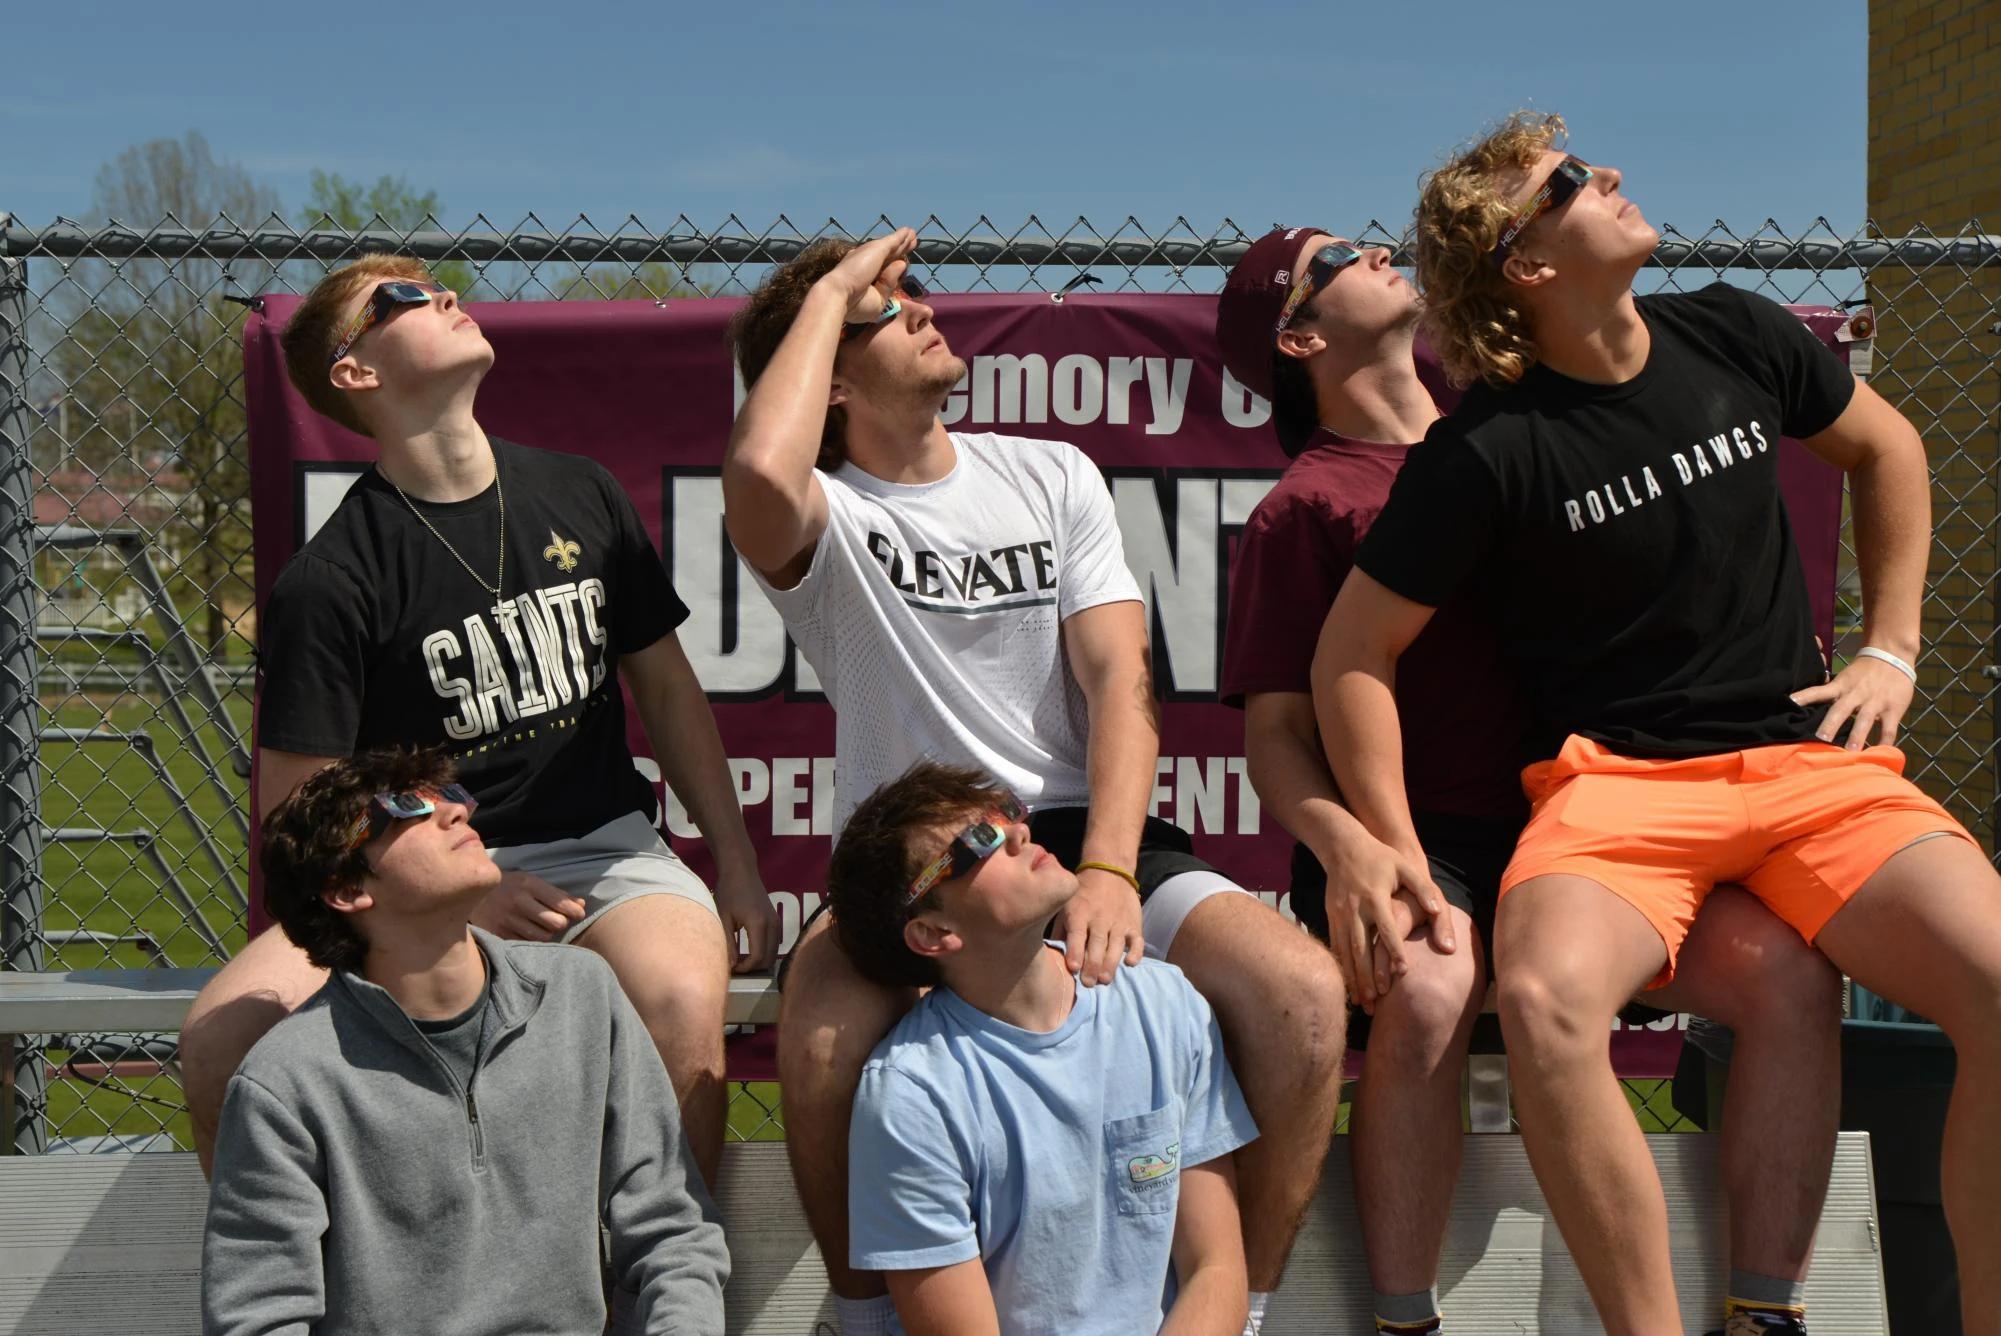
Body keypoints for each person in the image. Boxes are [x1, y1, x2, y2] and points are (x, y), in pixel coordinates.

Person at [1316, 111, 2001, 1336]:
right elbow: (1351, 659)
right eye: (1572, 182)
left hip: (1810, 767)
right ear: (1528, 266)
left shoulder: (1733, 328)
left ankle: (1778, 1316)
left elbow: (1886, 446)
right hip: (1618, 792)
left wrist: (1890, 646)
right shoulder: (1483, 450)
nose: (1613, 176)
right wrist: (1393, 847)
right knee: (1542, 999)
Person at [1216, 224, 1843, 1336]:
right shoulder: (1299, 510)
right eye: (1334, 259)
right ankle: (1403, 1318)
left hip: (1593, 819)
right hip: (1423, 842)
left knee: (1786, 977)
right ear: (1301, 334)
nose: (1373, 250)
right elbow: (1277, 734)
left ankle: (1766, 1310)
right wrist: (1357, 846)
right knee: (1430, 988)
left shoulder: (1513, 428)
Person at [723, 230, 1345, 1336]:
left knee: (1301, 998)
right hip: (921, 852)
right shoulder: (823, 515)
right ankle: (868, 1319)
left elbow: (1121, 684)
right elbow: (760, 472)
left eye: (913, 290)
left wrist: (1107, 867)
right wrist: (826, 290)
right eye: (881, 310)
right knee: (817, 1053)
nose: (918, 307)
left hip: (1075, 831)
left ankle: (1240, 1305)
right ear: (828, 376)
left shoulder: (1051, 469)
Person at [179, 254, 776, 1188]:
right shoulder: (330, 580)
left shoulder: (582, 492)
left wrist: (736, 864)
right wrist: (461, 895)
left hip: (602, 853)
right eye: (405, 298)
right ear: (356, 372)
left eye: (438, 284)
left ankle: (661, 1304)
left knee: (678, 1002)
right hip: (418, 874)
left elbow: (668, 694)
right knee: (219, 1040)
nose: (446, 295)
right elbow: (297, 816)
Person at [202, 748, 728, 1336]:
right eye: (404, 809)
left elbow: (673, 1233)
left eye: (448, 797)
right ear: (346, 890)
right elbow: (260, 1315)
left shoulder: (581, 994)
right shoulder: (284, 1080)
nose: (453, 814)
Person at [832, 761, 1257, 1336]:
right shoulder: (910, 1096)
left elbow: (1216, 1268)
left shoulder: (1166, 1003)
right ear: (932, 933)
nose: (1018, 833)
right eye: (978, 841)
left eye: (1007, 813)